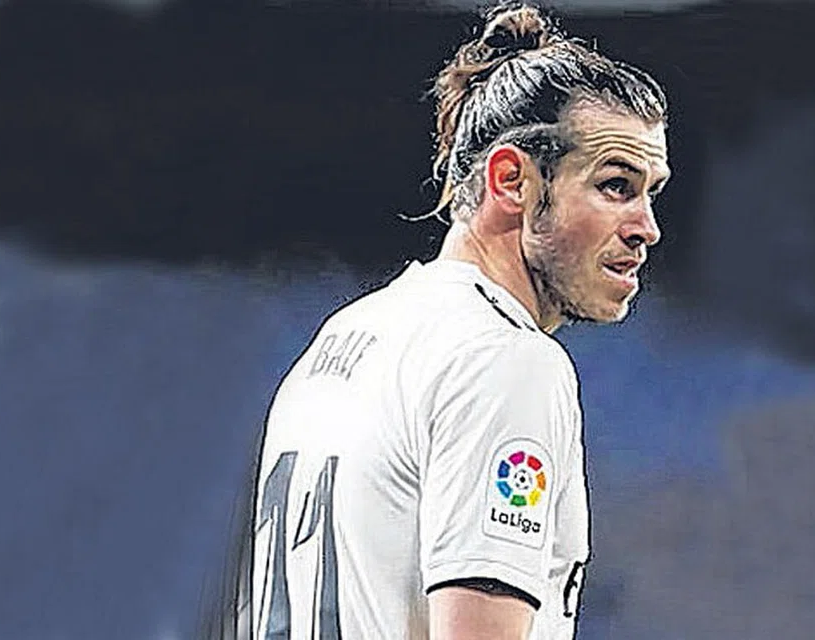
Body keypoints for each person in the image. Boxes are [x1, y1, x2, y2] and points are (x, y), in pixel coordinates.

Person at [207, 3, 670, 638]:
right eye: (616, 185)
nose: (646, 227)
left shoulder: (342, 339)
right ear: (512, 180)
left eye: (651, 192)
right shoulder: (505, 359)